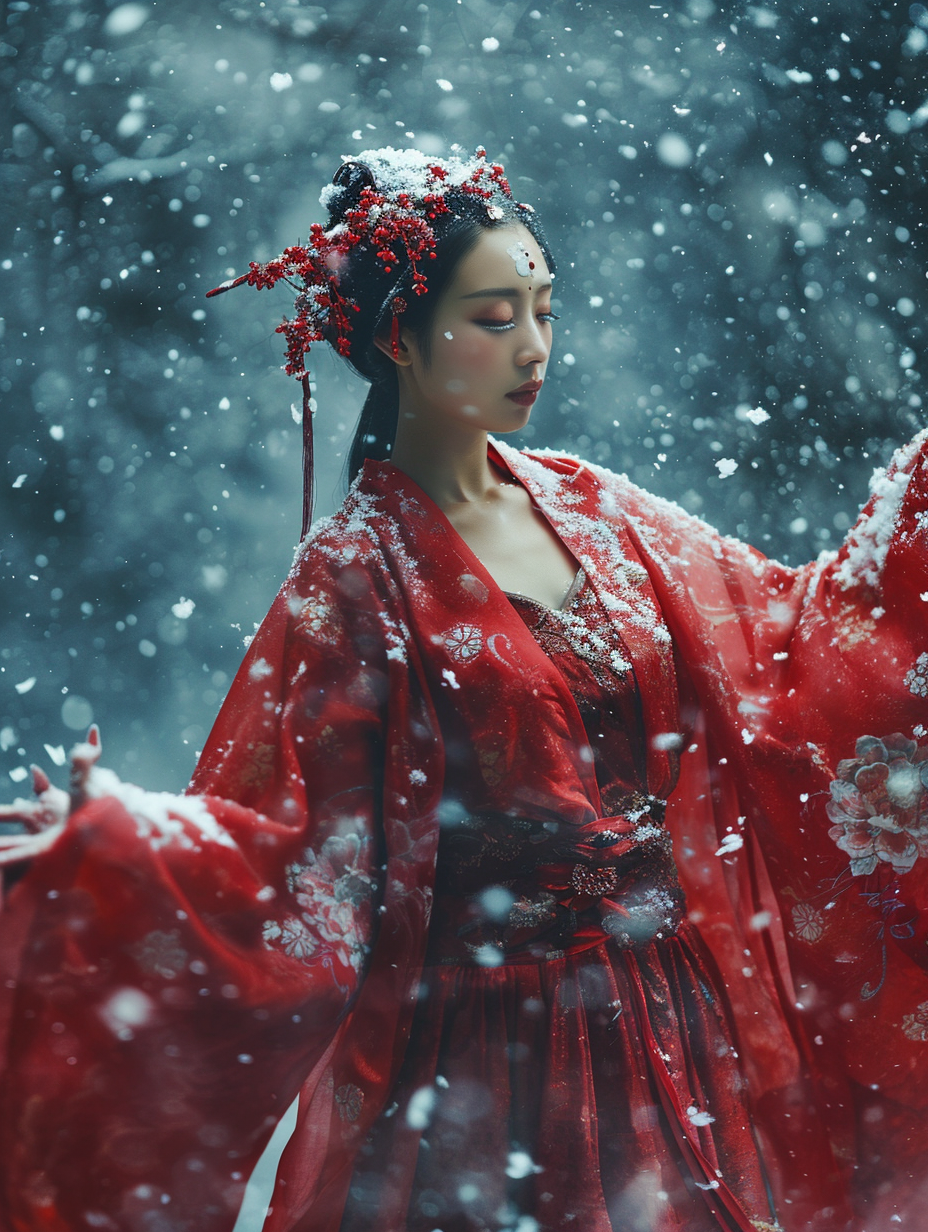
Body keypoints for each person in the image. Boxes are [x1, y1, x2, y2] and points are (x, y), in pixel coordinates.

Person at [1, 146, 927, 1232]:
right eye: (495, 316)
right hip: (493, 1058)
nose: (533, 346)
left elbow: (791, 644)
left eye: (543, 307)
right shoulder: (354, 576)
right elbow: (295, 848)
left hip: (676, 1013)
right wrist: (129, 852)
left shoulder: (594, 504)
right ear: (398, 334)